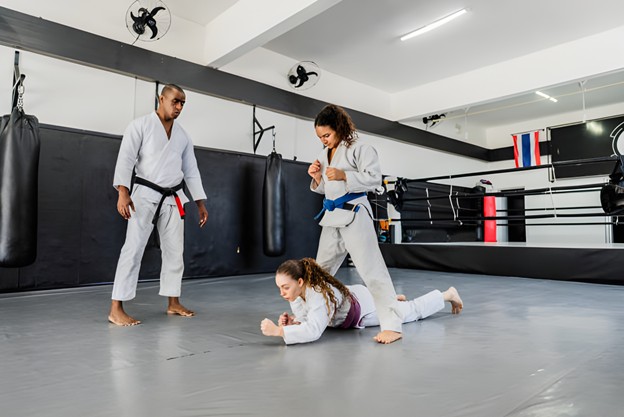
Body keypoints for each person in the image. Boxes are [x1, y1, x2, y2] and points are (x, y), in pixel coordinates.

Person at [108, 84, 208, 326]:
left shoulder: (183, 135)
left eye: (182, 103)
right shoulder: (140, 125)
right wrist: (123, 192)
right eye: (175, 101)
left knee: (175, 251)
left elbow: (191, 170)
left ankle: (173, 302)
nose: (179, 107)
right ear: (161, 99)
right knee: (133, 248)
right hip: (144, 194)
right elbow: (126, 159)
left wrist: (200, 203)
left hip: (173, 197)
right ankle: (116, 308)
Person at [307, 104, 405, 344]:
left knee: (372, 270)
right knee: (319, 272)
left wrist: (345, 175)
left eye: (327, 135)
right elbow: (327, 189)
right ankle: (310, 318)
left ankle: (393, 326)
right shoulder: (324, 154)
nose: (323, 140)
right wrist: (317, 178)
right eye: (320, 137)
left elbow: (374, 179)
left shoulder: (361, 148)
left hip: (355, 213)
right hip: (332, 216)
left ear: (339, 127)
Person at [260, 258, 463, 345]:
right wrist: (294, 322)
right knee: (392, 303)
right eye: (279, 288)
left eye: (285, 287)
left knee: (409, 311)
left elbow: (314, 330)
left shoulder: (318, 294)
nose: (282, 293)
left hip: (362, 308)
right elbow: (309, 318)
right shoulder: (297, 294)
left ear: (300, 282)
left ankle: (447, 295)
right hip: (354, 295)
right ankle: (390, 298)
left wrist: (279, 332)